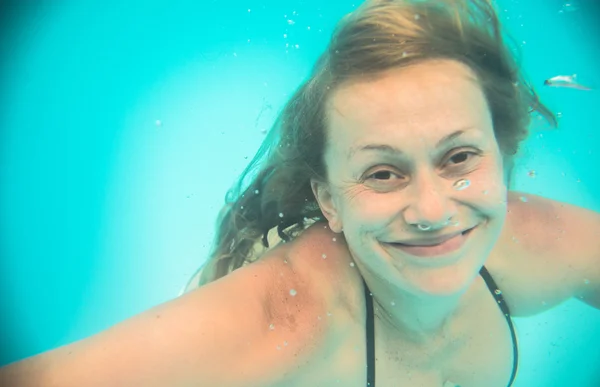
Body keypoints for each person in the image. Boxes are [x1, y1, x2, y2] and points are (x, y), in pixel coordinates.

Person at [1, 0, 599, 386]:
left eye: (460, 157)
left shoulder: (534, 243)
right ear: (330, 202)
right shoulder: (289, 319)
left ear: (505, 157)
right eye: (382, 173)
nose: (434, 211)